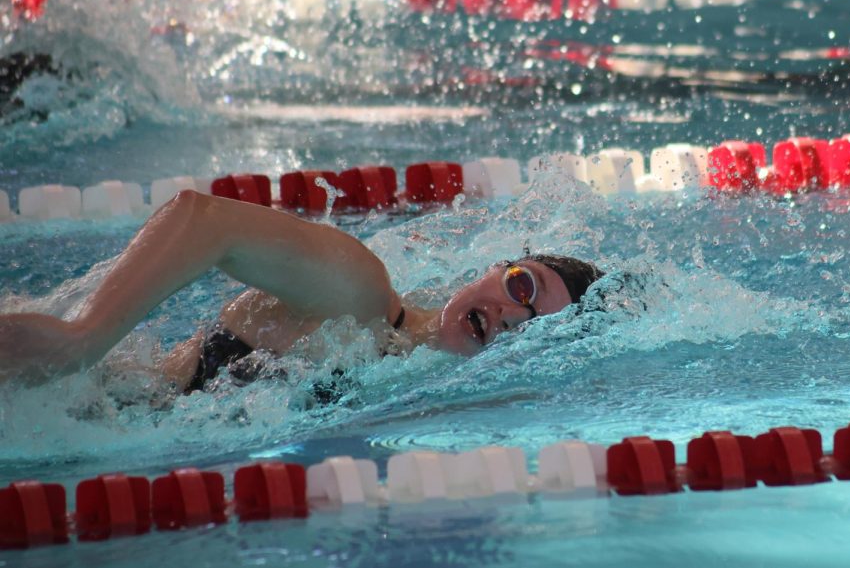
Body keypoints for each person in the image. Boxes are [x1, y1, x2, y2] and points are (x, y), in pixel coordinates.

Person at [0, 190, 604, 391]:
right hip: (59, 383)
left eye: (532, 325)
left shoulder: (397, 377)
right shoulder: (360, 293)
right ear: (497, 268)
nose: (505, 315)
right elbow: (202, 218)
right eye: (521, 285)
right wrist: (82, 340)